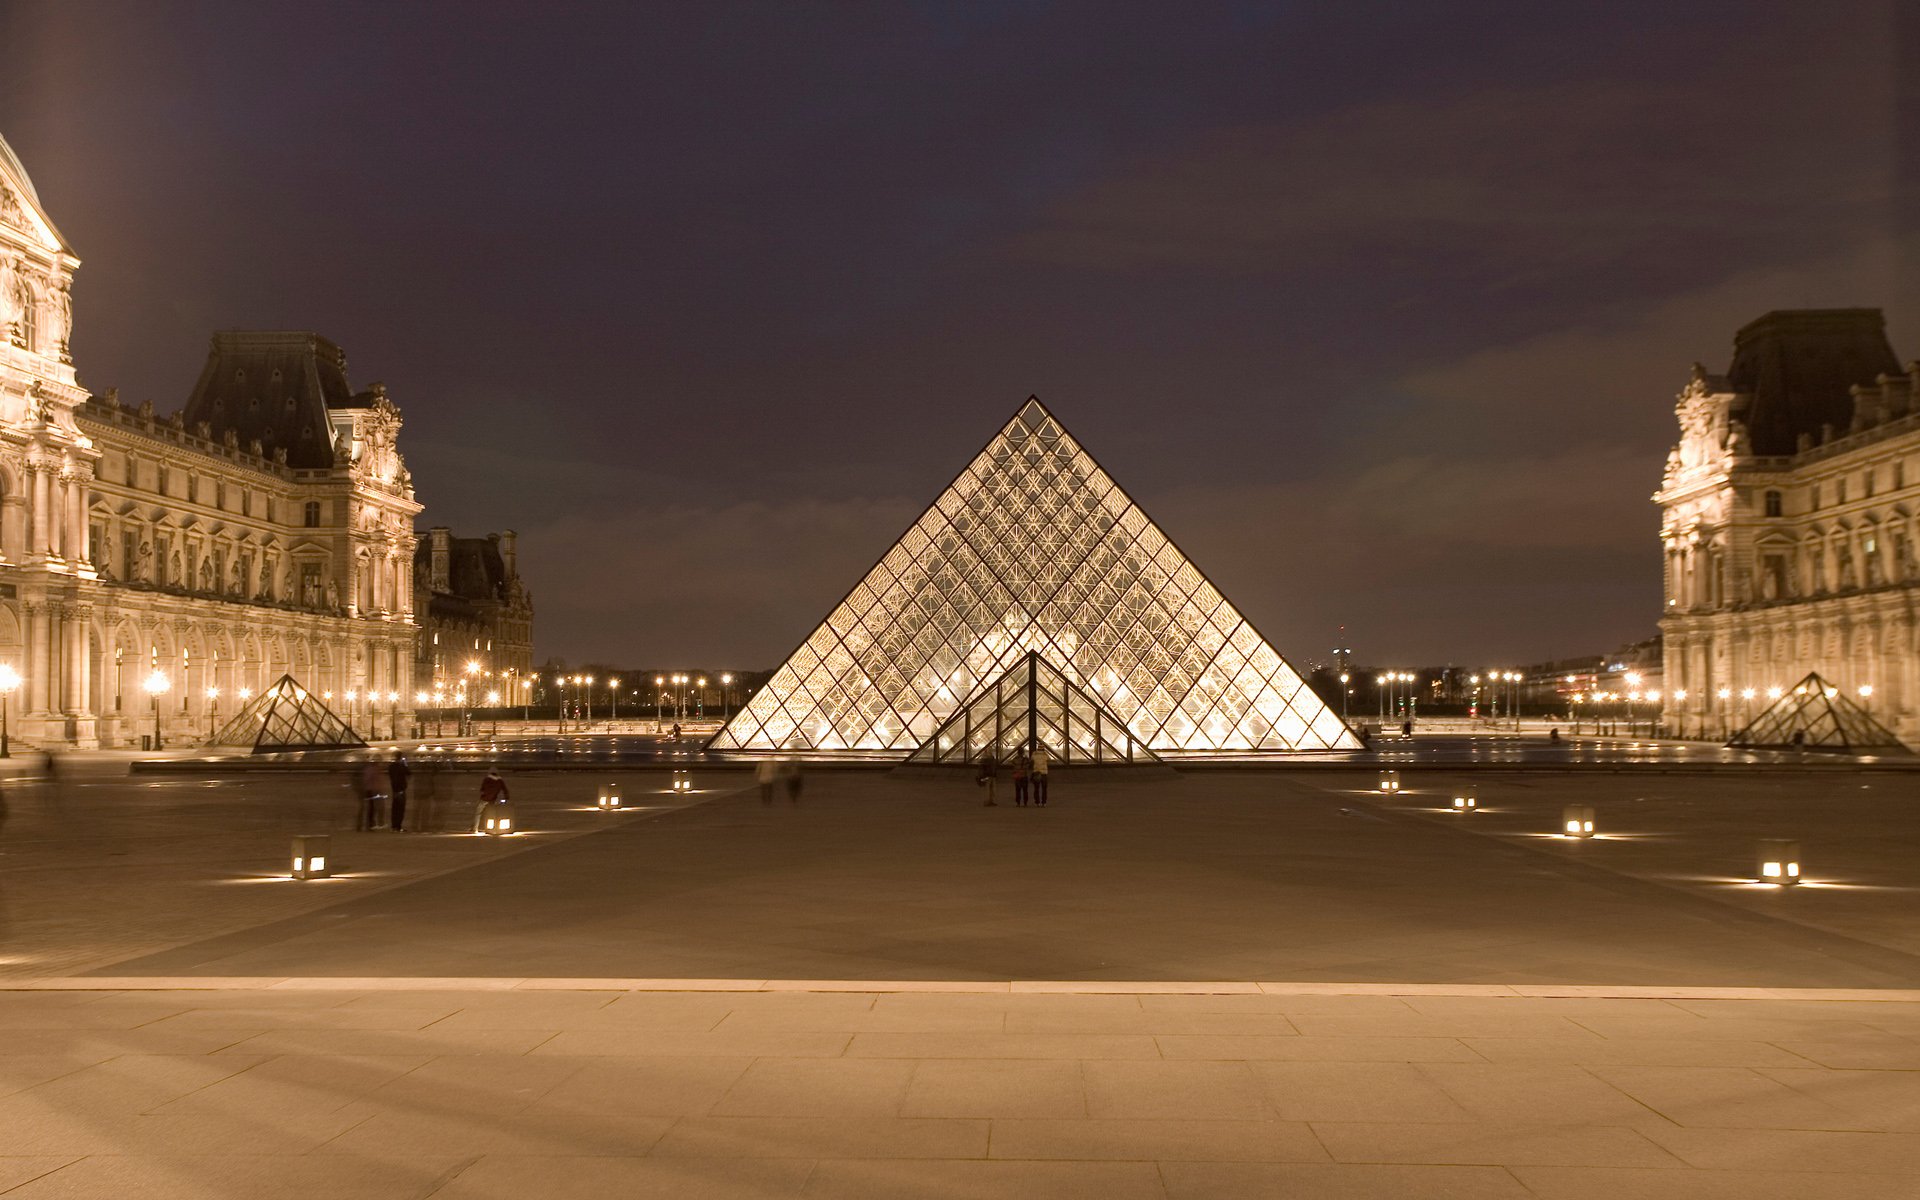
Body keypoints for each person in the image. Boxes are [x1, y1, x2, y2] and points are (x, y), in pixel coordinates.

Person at [473, 767, 510, 833]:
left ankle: (475, 828)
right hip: (493, 800)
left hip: (484, 799)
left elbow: (482, 789)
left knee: (478, 813)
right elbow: (505, 790)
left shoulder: (487, 779)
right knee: (492, 814)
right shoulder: (500, 781)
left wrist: (483, 795)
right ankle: (493, 828)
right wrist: (506, 798)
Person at [356, 761, 387, 831]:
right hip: (371, 790)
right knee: (371, 808)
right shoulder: (372, 769)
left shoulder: (369, 769)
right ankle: (369, 825)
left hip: (370, 790)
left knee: (370, 807)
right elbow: (368, 780)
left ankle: (367, 825)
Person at [388, 752, 412, 832]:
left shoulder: (391, 766)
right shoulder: (402, 766)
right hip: (401, 789)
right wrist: (405, 763)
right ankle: (398, 826)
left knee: (395, 808)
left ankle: (394, 826)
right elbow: (409, 773)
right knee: (400, 809)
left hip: (394, 789)